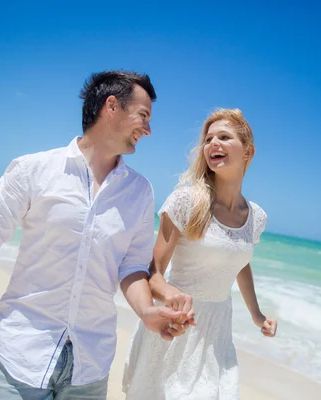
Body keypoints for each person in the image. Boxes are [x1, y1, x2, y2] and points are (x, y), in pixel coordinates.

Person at [0, 70, 189, 399]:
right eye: (143, 116)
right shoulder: (34, 169)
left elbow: (132, 267)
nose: (148, 129)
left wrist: (146, 312)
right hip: (23, 354)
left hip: (91, 364)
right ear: (111, 106)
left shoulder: (140, 192)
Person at [122, 108, 278, 399]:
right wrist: (170, 295)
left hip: (218, 331)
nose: (213, 144)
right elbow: (153, 272)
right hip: (178, 328)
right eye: (208, 139)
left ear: (248, 152)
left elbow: (239, 263)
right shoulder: (186, 201)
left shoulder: (256, 217)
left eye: (224, 137)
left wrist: (257, 315)